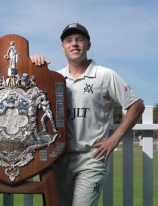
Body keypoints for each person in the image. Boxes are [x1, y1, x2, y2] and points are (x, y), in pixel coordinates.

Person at [30, 23, 145, 206]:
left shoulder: (105, 75)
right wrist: (34, 67)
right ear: (62, 47)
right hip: (59, 158)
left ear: (88, 45)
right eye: (69, 40)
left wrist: (115, 138)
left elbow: (136, 105)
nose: (74, 44)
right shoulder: (55, 78)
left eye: (79, 40)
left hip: (91, 158)